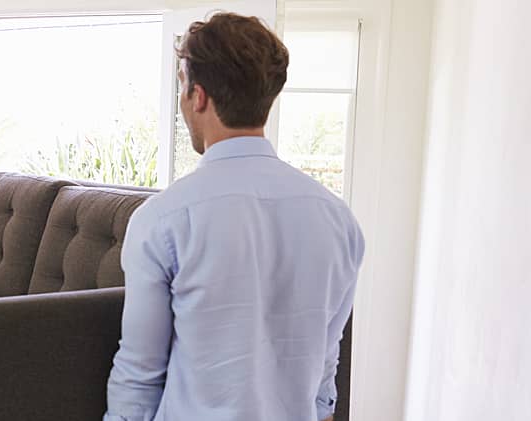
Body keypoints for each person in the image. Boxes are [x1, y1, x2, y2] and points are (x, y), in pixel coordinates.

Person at [104, 13, 364, 421]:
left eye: (182, 86)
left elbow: (139, 377)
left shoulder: (162, 221)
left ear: (199, 96)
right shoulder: (340, 222)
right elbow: (323, 374)